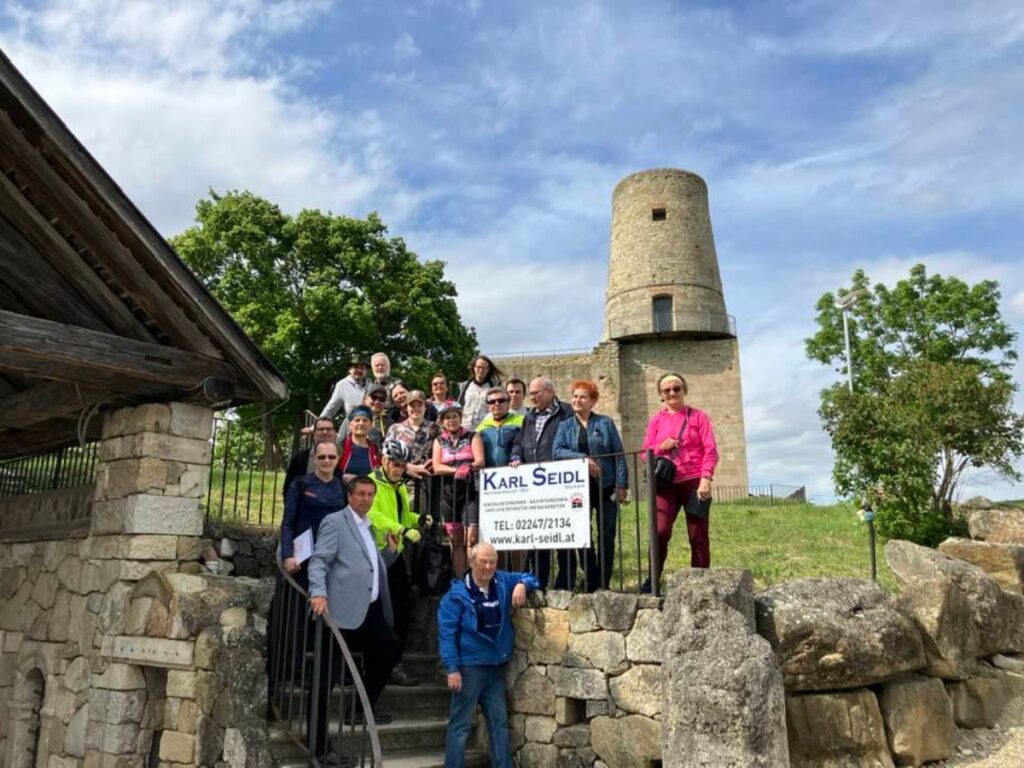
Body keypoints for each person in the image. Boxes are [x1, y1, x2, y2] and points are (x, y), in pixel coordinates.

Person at [307, 476, 402, 762]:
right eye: (361, 494)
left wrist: (390, 552)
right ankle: (318, 746)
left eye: (370, 494)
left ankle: (359, 710)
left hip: (368, 611)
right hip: (340, 612)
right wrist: (318, 593)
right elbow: (319, 561)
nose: (366, 499)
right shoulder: (336, 522)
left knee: (390, 647)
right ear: (349, 495)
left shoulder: (369, 526)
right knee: (325, 679)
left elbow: (369, 567)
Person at [438, 541, 539, 768]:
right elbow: (447, 634)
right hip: (469, 668)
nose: (488, 567)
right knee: (460, 727)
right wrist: (452, 669)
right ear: (472, 562)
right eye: (483, 561)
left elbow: (533, 577)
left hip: (495, 668)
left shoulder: (502, 581)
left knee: (499, 725)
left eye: (492, 562)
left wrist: (522, 584)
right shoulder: (455, 595)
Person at [552, 380, 629, 591]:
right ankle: (591, 577)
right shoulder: (564, 426)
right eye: (575, 396)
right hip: (578, 490)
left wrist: (622, 483)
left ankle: (603, 581)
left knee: (606, 534)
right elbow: (557, 451)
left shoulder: (605, 423)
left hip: (606, 486)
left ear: (592, 401)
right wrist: (583, 459)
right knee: (581, 533)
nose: (577, 400)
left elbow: (619, 454)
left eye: (582, 397)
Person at [642, 373, 718, 584]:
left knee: (698, 535)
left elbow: (710, 449)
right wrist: (660, 447)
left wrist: (706, 478)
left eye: (676, 388)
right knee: (659, 531)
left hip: (694, 481)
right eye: (667, 390)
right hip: (666, 484)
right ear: (661, 394)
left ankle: (700, 580)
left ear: (684, 390)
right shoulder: (656, 420)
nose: (672, 393)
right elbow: (644, 452)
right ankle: (653, 579)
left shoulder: (698, 417)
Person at [509, 376, 574, 589]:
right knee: (539, 534)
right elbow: (520, 441)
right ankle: (538, 581)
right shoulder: (529, 416)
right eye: (532, 394)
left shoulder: (566, 412)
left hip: (560, 482)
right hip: (535, 485)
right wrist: (516, 456)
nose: (533, 397)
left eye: (536, 393)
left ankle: (565, 583)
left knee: (563, 533)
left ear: (550, 391)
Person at [369, 440, 424, 687]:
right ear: (383, 460)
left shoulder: (399, 486)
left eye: (402, 465)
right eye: (394, 463)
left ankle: (394, 662)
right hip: (376, 554)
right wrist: (400, 529)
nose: (398, 469)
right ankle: (382, 664)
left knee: (403, 608)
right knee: (384, 612)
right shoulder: (372, 483)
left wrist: (418, 519)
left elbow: (401, 515)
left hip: (395, 555)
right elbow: (371, 514)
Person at [432, 403, 485, 578]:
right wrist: (456, 470)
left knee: (471, 539)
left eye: (454, 416)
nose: (451, 420)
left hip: (471, 491)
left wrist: (467, 466)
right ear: (442, 421)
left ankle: (475, 579)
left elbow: (480, 461)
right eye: (447, 417)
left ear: (460, 418)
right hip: (448, 492)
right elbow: (437, 467)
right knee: (456, 541)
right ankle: (461, 581)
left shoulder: (472, 436)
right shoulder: (439, 441)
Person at [283, 417, 341, 504]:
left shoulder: (344, 457)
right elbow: (289, 489)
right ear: (314, 434)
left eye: (329, 429)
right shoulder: (301, 458)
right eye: (320, 429)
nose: (325, 432)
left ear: (336, 433)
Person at [385, 389, 439, 480]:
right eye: (412, 405)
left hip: (428, 481)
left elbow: (444, 453)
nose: (416, 408)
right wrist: (408, 467)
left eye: (419, 405)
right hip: (401, 480)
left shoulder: (436, 428)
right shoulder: (395, 429)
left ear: (425, 407)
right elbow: (386, 456)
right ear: (406, 407)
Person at [476, 387, 523, 468]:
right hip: (489, 475)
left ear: (508, 403)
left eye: (501, 400)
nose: (496, 404)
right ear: (488, 406)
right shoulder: (480, 428)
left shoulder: (522, 421)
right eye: (492, 402)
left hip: (515, 471)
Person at [457, 355, 504, 431]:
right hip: (465, 426)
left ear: (488, 370)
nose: (481, 370)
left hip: (485, 427)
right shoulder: (464, 386)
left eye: (484, 368)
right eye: (478, 367)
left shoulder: (494, 388)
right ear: (474, 368)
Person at [320, 354, 370, 421]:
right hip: (352, 424)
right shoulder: (342, 385)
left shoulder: (371, 385)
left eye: (362, 368)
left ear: (366, 371)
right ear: (349, 369)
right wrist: (318, 424)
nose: (359, 370)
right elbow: (331, 408)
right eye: (356, 367)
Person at [339, 405, 381, 481]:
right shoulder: (340, 447)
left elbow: (379, 477)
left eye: (365, 420)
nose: (361, 423)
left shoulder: (376, 450)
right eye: (357, 420)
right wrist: (341, 477)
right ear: (349, 425)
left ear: (371, 425)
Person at [364, 384, 393, 449]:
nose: (377, 401)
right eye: (374, 397)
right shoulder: (354, 418)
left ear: (385, 403)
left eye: (381, 399)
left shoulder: (390, 423)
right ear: (365, 399)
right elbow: (340, 441)